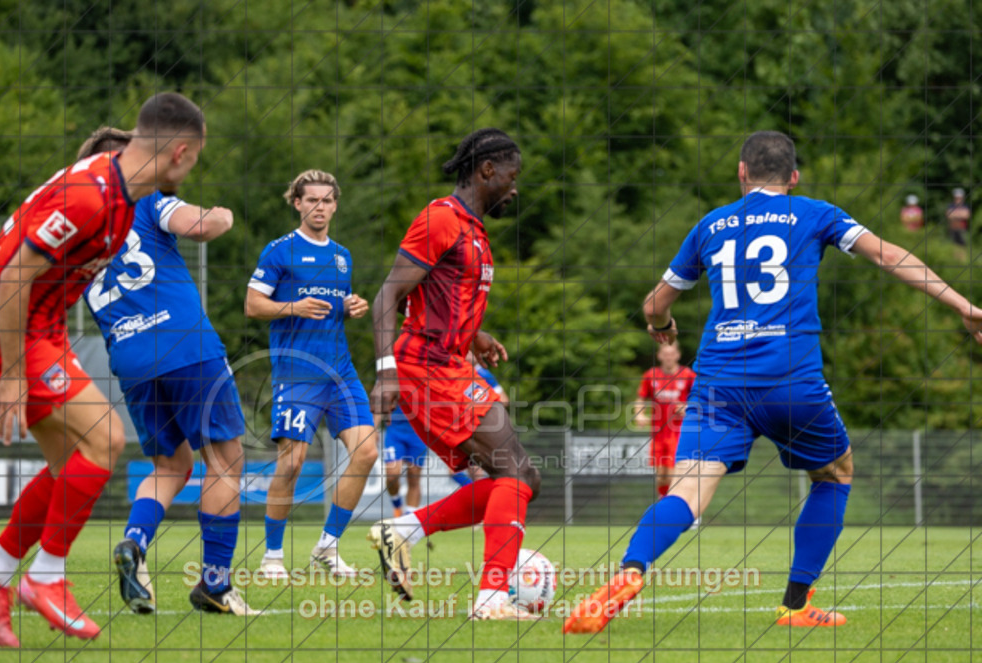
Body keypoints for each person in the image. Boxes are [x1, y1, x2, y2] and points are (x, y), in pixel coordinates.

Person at [564, 131, 982, 634]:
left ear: (742, 172)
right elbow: (889, 256)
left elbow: (655, 305)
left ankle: (630, 571)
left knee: (686, 492)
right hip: (789, 380)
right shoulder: (815, 213)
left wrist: (662, 329)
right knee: (835, 473)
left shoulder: (710, 225)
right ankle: (795, 604)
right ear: (794, 177)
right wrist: (964, 307)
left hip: (719, 381)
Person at [0, 93, 207, 648]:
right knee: (107, 441)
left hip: (37, 333)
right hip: (1, 334)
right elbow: (14, 278)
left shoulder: (118, 196)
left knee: (73, 462)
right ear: (181, 153)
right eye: (196, 160)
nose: (193, 169)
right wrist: (16, 373)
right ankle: (45, 577)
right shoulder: (91, 198)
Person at [367, 128, 542, 621]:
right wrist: (386, 374)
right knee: (513, 468)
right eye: (512, 176)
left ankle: (402, 531)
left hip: (449, 366)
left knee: (521, 476)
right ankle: (490, 600)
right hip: (425, 369)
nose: (514, 187)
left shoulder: (474, 230)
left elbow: (444, 302)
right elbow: (386, 299)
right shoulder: (440, 219)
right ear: (487, 170)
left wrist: (476, 335)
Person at [78, 129, 256, 616]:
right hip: (186, 346)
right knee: (225, 461)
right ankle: (215, 585)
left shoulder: (80, 231)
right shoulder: (147, 201)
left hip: (131, 362)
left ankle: (134, 545)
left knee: (171, 466)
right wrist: (223, 213)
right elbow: (200, 225)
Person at [245, 169, 376, 580]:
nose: (320, 207)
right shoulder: (279, 251)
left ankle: (327, 547)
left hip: (339, 371)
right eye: (311, 200)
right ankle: (271, 558)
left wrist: (353, 305)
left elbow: (331, 307)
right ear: (297, 203)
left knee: (368, 452)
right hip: (297, 372)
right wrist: (292, 307)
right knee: (292, 463)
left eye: (327, 200)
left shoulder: (342, 255)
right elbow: (252, 305)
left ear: (336, 204)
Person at [382, 359, 503, 517]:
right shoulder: (399, 372)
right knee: (393, 474)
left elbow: (502, 400)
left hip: (458, 430)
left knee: (420, 476)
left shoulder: (480, 373)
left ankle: (486, 508)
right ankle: (485, 506)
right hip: (396, 431)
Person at [633, 341, 695, 500]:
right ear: (659, 356)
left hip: (679, 432)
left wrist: (687, 408)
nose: (669, 357)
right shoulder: (650, 375)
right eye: (665, 354)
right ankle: (663, 502)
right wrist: (639, 414)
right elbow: (640, 398)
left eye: (672, 353)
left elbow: (701, 400)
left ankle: (685, 509)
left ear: (678, 355)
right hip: (658, 433)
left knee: (677, 472)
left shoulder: (688, 375)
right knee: (662, 475)